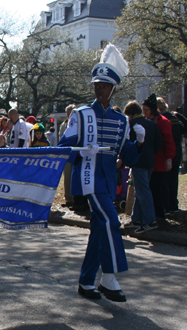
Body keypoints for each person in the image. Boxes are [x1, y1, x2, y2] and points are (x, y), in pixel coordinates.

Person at [58, 44, 140, 302]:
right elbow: (63, 148)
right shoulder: (81, 115)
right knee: (112, 222)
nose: (99, 89)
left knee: (99, 230)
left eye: (104, 86)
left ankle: (85, 281)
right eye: (96, 85)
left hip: (107, 181)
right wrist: (82, 150)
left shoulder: (121, 120)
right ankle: (108, 277)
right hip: (88, 179)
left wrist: (138, 142)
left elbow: (128, 158)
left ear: (113, 88)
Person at [124, 100, 161, 233]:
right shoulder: (152, 124)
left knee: (143, 191)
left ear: (129, 114)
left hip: (138, 161)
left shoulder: (132, 124)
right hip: (150, 161)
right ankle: (137, 218)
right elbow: (158, 144)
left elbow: (128, 144)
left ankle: (150, 220)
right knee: (141, 190)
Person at [142, 95, 175, 221]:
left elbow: (168, 142)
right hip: (149, 161)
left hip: (160, 161)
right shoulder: (145, 121)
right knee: (149, 187)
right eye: (143, 110)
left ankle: (160, 213)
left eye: (146, 110)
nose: (144, 113)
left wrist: (169, 158)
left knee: (159, 188)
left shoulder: (163, 122)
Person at [160, 102, 187, 213]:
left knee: (164, 179)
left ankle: (165, 206)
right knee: (174, 178)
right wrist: (179, 115)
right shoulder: (174, 119)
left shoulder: (162, 119)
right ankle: (173, 204)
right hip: (177, 150)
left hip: (166, 150)